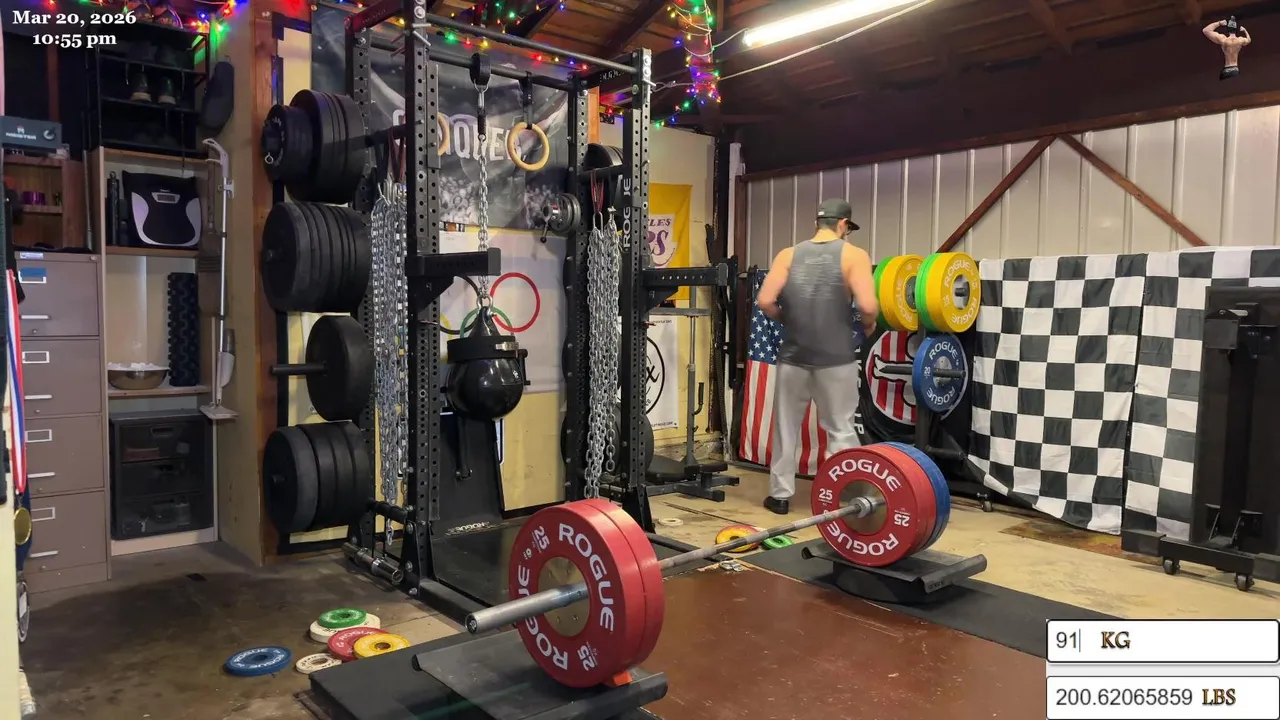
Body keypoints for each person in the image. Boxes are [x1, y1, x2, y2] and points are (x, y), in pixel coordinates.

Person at [755, 199, 878, 515]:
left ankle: (780, 497)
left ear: (817, 224)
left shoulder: (787, 255)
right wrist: (868, 325)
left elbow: (765, 300)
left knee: (786, 428)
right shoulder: (854, 256)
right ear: (843, 225)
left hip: (793, 356)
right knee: (840, 429)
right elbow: (867, 306)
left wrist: (786, 319)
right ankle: (844, 499)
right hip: (836, 359)